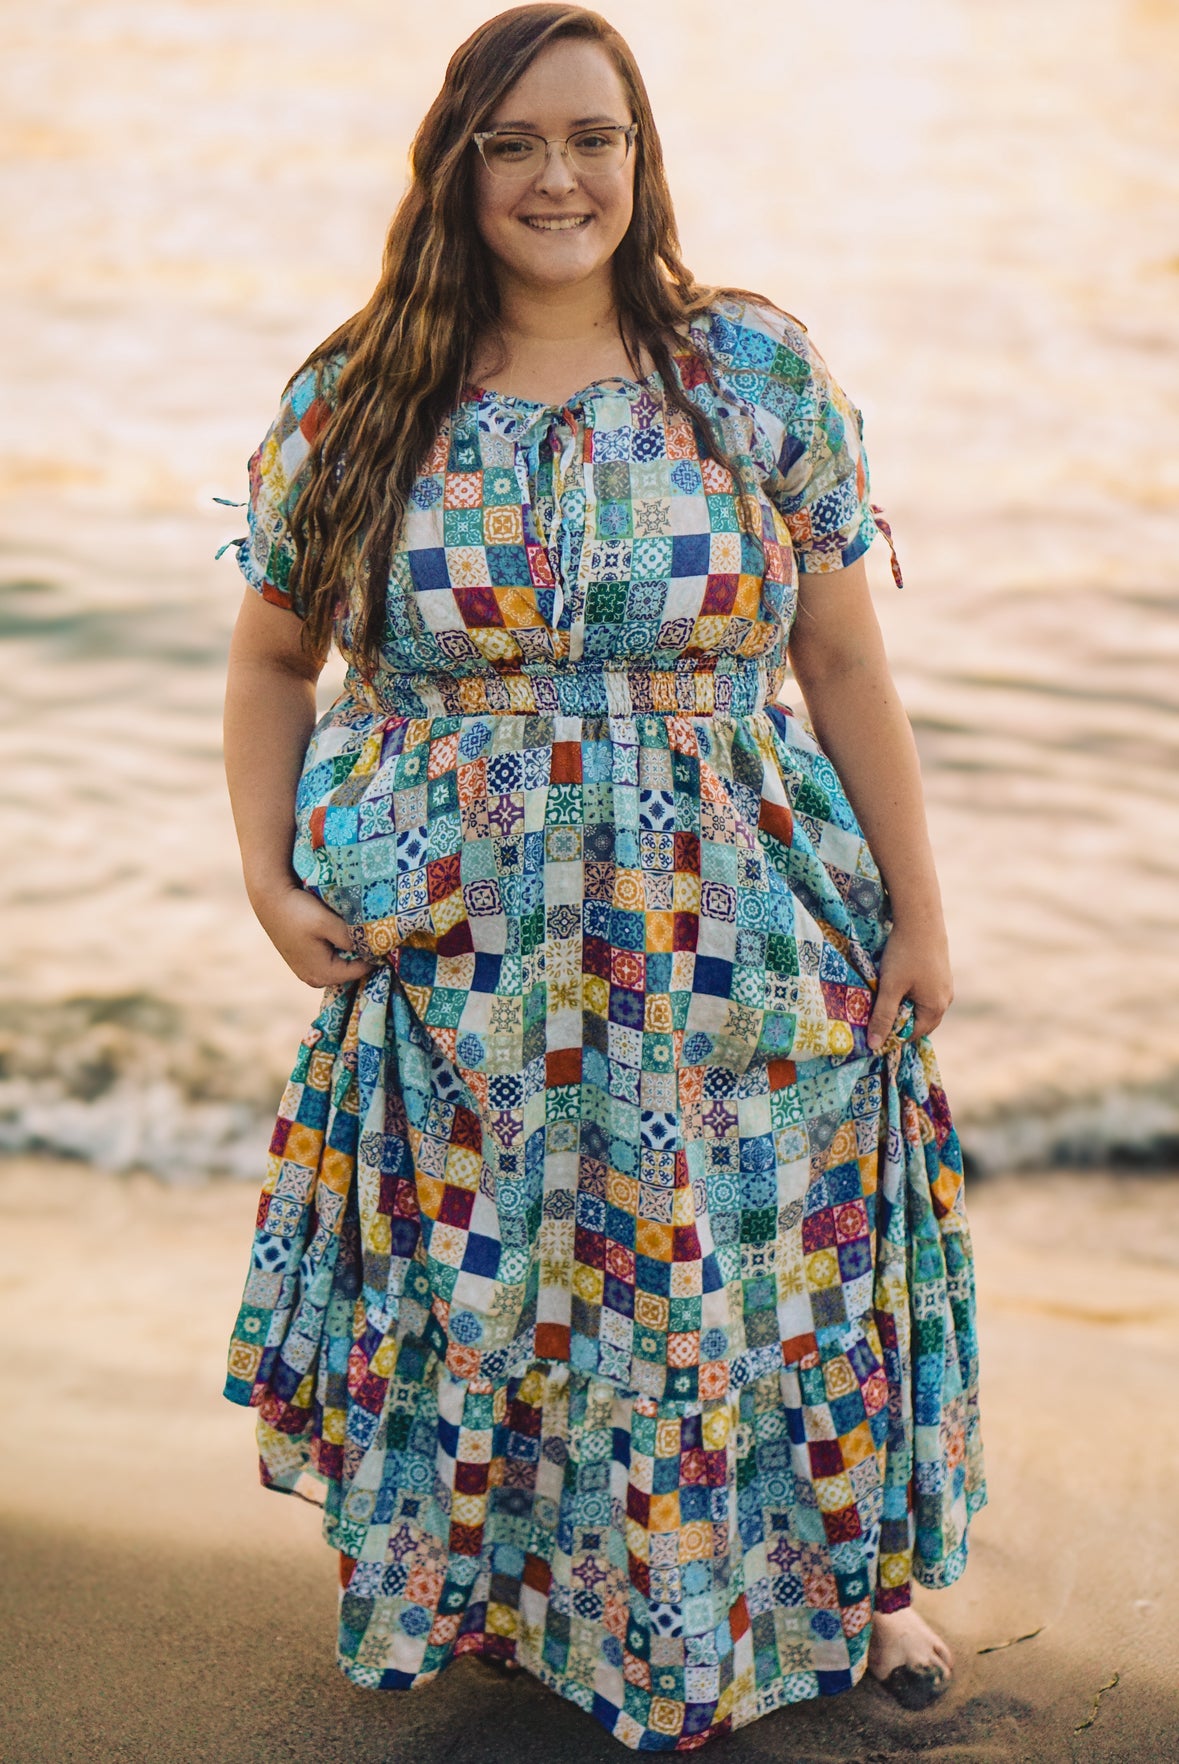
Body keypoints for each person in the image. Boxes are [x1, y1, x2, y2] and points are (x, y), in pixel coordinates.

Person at [221, 4, 984, 1748]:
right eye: (518, 143)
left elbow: (846, 664)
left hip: (744, 928)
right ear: (459, 165)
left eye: (597, 139)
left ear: (644, 162)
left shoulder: (750, 374)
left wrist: (922, 908)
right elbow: (271, 664)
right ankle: (516, 1606)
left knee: (766, 1258)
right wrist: (270, 888)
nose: (561, 176)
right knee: (506, 1280)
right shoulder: (362, 398)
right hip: (471, 952)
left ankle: (858, 1594)